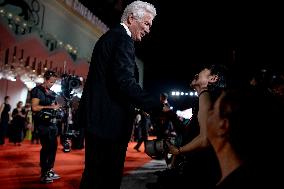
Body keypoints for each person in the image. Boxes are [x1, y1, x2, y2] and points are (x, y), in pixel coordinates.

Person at [78, 1, 159, 188]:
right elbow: (124, 82)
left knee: (94, 176)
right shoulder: (123, 39)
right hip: (109, 125)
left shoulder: (111, 36)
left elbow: (113, 83)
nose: (148, 30)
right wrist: (155, 106)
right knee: (106, 179)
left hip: (100, 122)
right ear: (131, 18)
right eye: (146, 23)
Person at [31, 70, 61, 184]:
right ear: (45, 79)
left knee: (53, 147)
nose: (52, 84)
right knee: (47, 147)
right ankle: (44, 173)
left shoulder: (52, 93)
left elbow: (53, 106)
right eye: (51, 82)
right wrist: (49, 107)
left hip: (52, 124)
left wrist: (57, 107)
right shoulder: (37, 90)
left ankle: (49, 170)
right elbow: (34, 107)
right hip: (42, 125)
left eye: (54, 82)